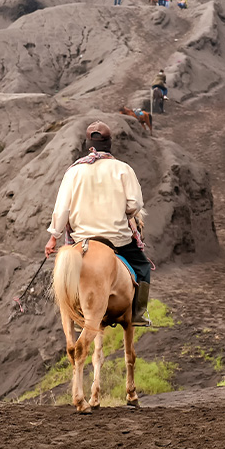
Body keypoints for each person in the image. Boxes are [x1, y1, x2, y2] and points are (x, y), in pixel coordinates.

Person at [44, 122, 152, 326]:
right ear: (110, 144)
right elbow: (136, 204)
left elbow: (62, 209)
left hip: (82, 239)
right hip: (117, 238)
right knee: (143, 266)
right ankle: (138, 312)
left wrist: (53, 237)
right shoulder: (123, 169)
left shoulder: (74, 172)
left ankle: (74, 308)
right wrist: (124, 212)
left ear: (89, 145)